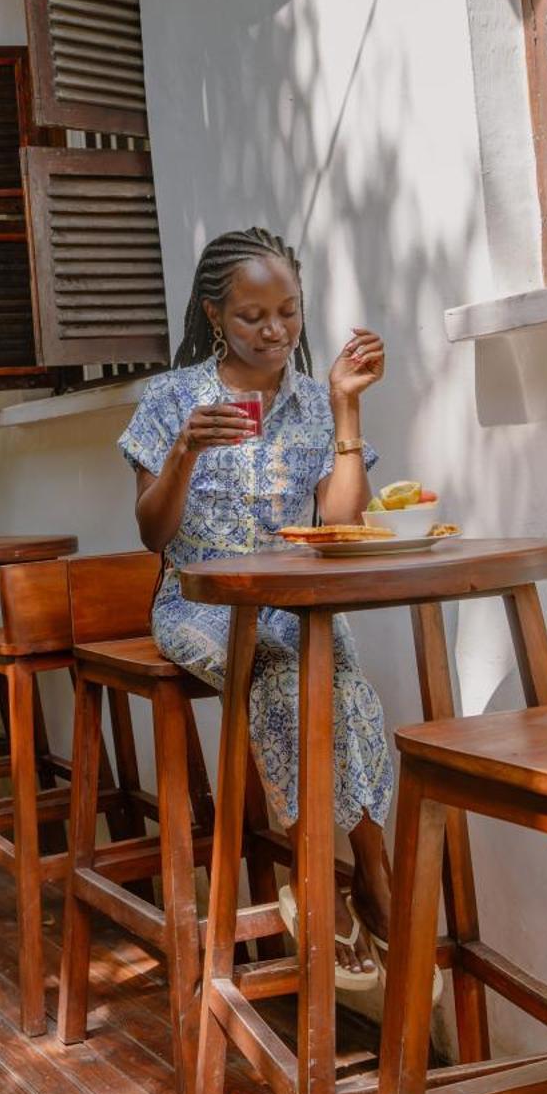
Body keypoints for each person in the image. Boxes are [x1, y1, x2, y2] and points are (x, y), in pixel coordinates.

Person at [118, 226, 396, 987]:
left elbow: (340, 524)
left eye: (288, 312)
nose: (274, 331)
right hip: (198, 603)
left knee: (339, 673)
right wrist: (183, 453)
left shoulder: (313, 400)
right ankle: (336, 881)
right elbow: (152, 532)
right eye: (252, 316)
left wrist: (345, 409)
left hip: (294, 602)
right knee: (283, 669)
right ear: (216, 314)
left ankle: (363, 876)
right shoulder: (174, 398)